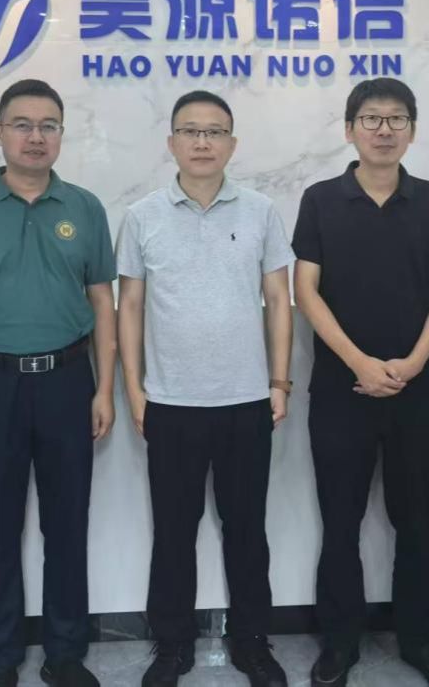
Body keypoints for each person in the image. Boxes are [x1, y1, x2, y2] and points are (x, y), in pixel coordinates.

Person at [0, 79, 117, 687]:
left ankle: (65, 655)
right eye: (22, 124)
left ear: (61, 134)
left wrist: (104, 388)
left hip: (68, 381)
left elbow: (103, 301)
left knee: (67, 524)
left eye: (48, 126)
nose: (35, 137)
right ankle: (0, 659)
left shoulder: (85, 208)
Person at [117, 90, 294, 687]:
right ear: (171, 142)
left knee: (247, 530)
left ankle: (252, 642)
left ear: (232, 144)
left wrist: (279, 382)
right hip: (170, 404)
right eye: (190, 131)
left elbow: (278, 299)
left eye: (214, 132)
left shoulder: (261, 211)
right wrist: (135, 390)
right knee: (173, 533)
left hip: (246, 400)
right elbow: (129, 306)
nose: (202, 142)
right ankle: (172, 646)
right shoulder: (142, 216)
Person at [292, 78, 429, 687]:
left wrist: (413, 363)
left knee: (416, 523)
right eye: (371, 118)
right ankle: (339, 642)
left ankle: (420, 641)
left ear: (412, 131)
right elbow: (305, 291)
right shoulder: (320, 200)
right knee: (339, 524)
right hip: (340, 394)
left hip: (416, 392)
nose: (384, 130)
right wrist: (359, 363)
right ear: (349, 130)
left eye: (397, 119)